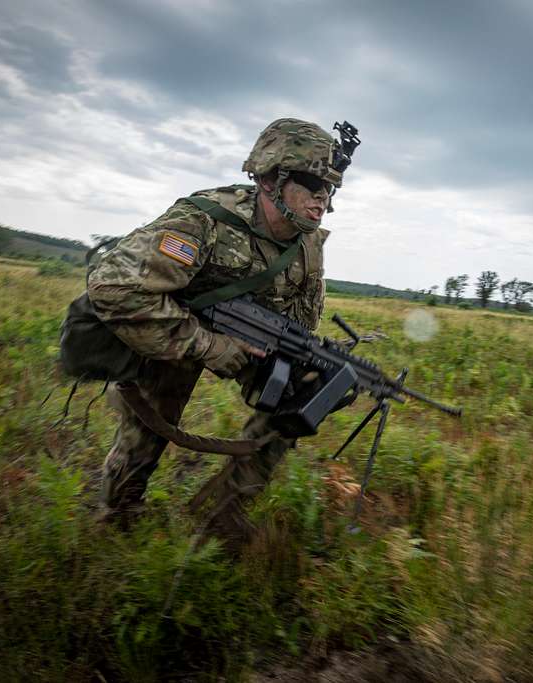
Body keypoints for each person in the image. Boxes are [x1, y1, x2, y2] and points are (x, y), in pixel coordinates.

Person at [85, 118, 354, 543]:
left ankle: (220, 515)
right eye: (310, 183)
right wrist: (207, 346)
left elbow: (301, 318)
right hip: (173, 327)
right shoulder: (205, 220)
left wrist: (314, 361)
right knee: (148, 433)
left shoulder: (307, 243)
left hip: (251, 336)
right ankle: (117, 520)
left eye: (329, 189)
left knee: (306, 392)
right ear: (269, 179)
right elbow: (113, 289)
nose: (322, 199)